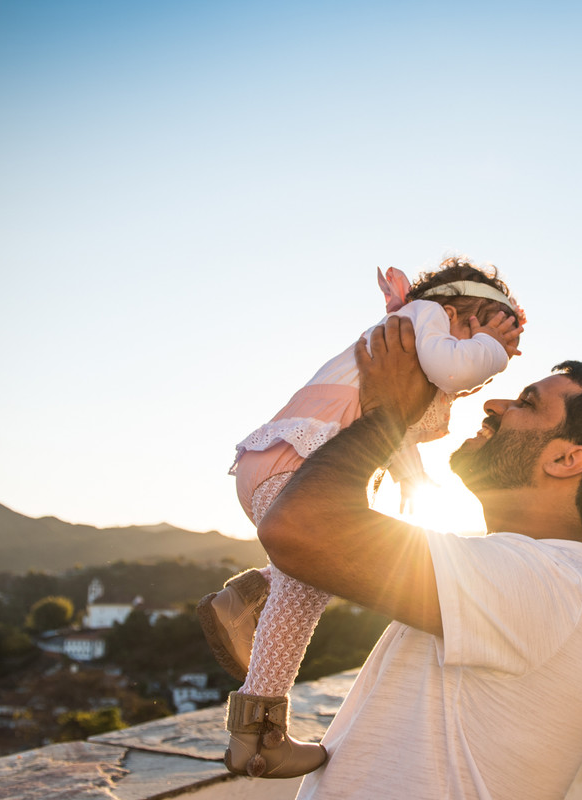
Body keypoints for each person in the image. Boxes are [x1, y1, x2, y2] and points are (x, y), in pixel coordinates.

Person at [255, 315, 582, 799]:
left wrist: (388, 415)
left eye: (526, 403)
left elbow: (297, 529)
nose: (494, 403)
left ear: (565, 460)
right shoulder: (545, 581)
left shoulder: (543, 583)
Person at [200, 256, 525, 779]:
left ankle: (247, 597)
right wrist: (491, 348)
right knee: (309, 576)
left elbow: (387, 417)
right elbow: (450, 367)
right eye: (486, 328)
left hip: (281, 458)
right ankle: (257, 736)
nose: (490, 358)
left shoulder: (409, 339)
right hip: (296, 459)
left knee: (312, 568)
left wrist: (410, 475)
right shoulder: (423, 316)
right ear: (462, 308)